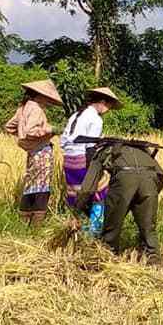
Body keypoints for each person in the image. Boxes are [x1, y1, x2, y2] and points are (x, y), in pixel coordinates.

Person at [75, 139, 163, 264]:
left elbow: (87, 189)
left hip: (124, 179)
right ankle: (154, 261)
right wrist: (148, 196)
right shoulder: (142, 150)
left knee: (111, 228)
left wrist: (77, 210)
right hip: (150, 180)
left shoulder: (101, 153)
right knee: (149, 229)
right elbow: (161, 174)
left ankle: (108, 259)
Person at [60, 87, 122, 236]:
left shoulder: (76, 115)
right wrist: (95, 168)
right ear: (101, 102)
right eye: (109, 106)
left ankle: (73, 225)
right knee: (99, 191)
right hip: (82, 159)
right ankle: (95, 229)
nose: (108, 109)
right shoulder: (96, 119)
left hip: (69, 160)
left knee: (74, 193)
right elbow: (91, 147)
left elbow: (63, 141)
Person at [5, 80, 63, 227]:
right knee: (42, 188)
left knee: (31, 186)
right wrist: (50, 130)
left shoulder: (23, 108)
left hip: (32, 152)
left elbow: (9, 126)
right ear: (40, 96)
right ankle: (36, 226)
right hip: (41, 151)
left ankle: (24, 224)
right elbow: (31, 131)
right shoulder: (36, 109)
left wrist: (21, 135)